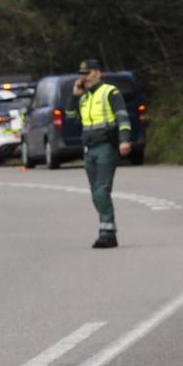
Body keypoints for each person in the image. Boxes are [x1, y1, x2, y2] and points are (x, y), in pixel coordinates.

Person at [73, 60, 133, 249]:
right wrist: (74, 97)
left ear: (98, 73)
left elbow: (123, 116)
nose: (84, 76)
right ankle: (108, 231)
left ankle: (107, 234)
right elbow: (70, 119)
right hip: (89, 148)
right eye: (82, 73)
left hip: (106, 146)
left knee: (101, 190)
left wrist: (124, 139)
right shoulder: (84, 98)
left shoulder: (110, 92)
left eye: (88, 73)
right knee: (95, 194)